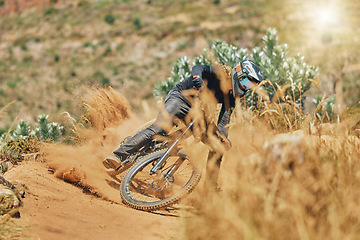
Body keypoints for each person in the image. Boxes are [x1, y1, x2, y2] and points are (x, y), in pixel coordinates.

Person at [103, 59, 263, 186]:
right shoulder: (220, 72)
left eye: (251, 86)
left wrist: (223, 138)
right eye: (246, 83)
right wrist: (198, 79)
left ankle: (210, 190)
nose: (247, 88)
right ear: (237, 75)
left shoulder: (232, 98)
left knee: (217, 146)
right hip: (181, 98)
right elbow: (199, 68)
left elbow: (224, 120)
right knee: (158, 129)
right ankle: (118, 155)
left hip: (199, 113)